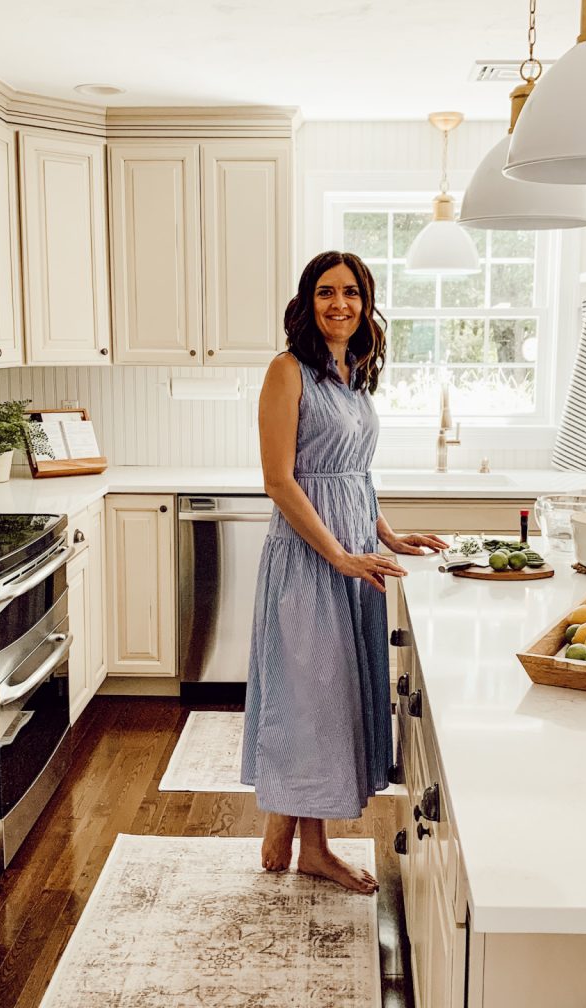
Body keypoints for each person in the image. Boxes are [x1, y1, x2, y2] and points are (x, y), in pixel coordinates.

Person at [240, 251, 447, 894]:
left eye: (351, 293)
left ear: (366, 302)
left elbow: (354, 470)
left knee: (322, 699)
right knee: (313, 703)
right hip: (311, 560)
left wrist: (386, 532)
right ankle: (315, 850)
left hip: (353, 555)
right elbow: (279, 480)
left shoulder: (350, 372)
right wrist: (339, 555)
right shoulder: (287, 370)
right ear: (307, 301)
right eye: (326, 292)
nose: (340, 304)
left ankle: (284, 825)